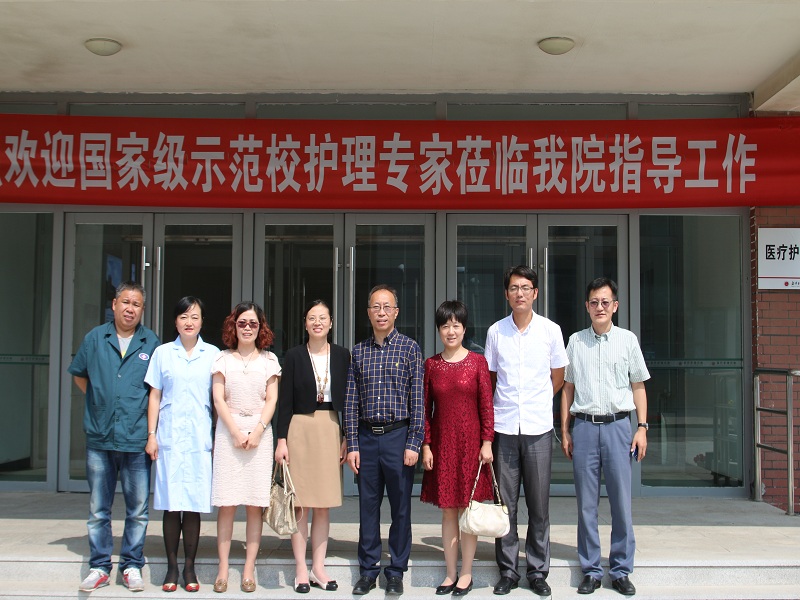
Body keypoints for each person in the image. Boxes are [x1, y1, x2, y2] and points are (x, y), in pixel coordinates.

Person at [560, 277, 650, 597]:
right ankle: (591, 570)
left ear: (615, 306)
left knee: (621, 503)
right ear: (587, 306)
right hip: (584, 427)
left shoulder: (627, 340)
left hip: (618, 428)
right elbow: (567, 388)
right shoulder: (575, 341)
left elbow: (638, 385)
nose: (600, 307)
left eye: (605, 302)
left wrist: (642, 427)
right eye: (594, 302)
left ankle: (621, 569)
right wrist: (565, 429)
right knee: (586, 504)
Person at [69, 281, 160, 593]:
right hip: (100, 436)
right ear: (114, 304)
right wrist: (98, 402)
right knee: (98, 509)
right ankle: (99, 567)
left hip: (135, 438)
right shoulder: (95, 338)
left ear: (142, 310)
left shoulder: (151, 342)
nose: (130, 309)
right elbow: (80, 375)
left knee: (138, 510)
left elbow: (155, 391)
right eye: (125, 302)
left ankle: (132, 565)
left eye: (136, 304)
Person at [484, 265, 568, 597]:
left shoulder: (550, 330)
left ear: (535, 293)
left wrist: (538, 400)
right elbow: (491, 378)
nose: (520, 293)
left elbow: (558, 375)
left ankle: (537, 571)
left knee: (539, 505)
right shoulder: (496, 332)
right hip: (504, 427)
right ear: (506, 294)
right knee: (505, 505)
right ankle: (508, 571)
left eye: (525, 288)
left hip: (538, 429)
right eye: (514, 288)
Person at [344, 284, 424, 597]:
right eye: (376, 307)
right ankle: (368, 570)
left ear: (396, 312)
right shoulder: (358, 352)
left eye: (387, 307)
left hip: (398, 437)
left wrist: (414, 442)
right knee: (368, 507)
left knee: (401, 508)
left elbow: (418, 400)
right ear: (368, 313)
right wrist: (352, 444)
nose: (381, 312)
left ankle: (396, 571)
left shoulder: (409, 348)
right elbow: (351, 402)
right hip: (366, 438)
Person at [274, 300, 351, 594]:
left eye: (322, 318)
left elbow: (350, 400)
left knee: (323, 503)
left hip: (330, 427)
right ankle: (300, 569)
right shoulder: (294, 356)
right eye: (311, 318)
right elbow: (285, 402)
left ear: (331, 323)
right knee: (300, 503)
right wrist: (281, 440)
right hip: (300, 429)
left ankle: (319, 567)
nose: (317, 323)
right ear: (305, 323)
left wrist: (348, 436)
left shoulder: (342, 355)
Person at [144, 296, 218, 593]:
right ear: (175, 321)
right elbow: (155, 396)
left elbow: (218, 399)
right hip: (170, 437)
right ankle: (172, 567)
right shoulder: (162, 353)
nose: (189, 322)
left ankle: (190, 567)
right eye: (184, 316)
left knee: (193, 505)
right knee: (171, 504)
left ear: (202, 322)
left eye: (195, 317)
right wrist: (151, 435)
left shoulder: (212, 354)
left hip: (199, 438)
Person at [420, 300, 494, 598]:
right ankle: (450, 573)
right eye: (445, 326)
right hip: (442, 445)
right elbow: (424, 410)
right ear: (439, 330)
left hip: (471, 446)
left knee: (468, 511)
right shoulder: (431, 365)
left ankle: (466, 573)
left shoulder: (477, 363)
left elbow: (486, 406)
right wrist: (426, 445)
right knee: (449, 511)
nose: (451, 331)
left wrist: (487, 442)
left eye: (456, 325)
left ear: (464, 329)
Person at [210, 302, 280, 594]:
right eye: (242, 323)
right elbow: (218, 399)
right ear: (234, 326)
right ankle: (223, 568)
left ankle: (249, 569)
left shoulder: (269, 360)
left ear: (260, 327)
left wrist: (258, 430)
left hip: (260, 434)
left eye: (253, 323)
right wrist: (236, 432)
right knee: (227, 504)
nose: (247, 328)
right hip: (229, 433)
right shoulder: (222, 359)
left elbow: (272, 399)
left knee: (254, 504)